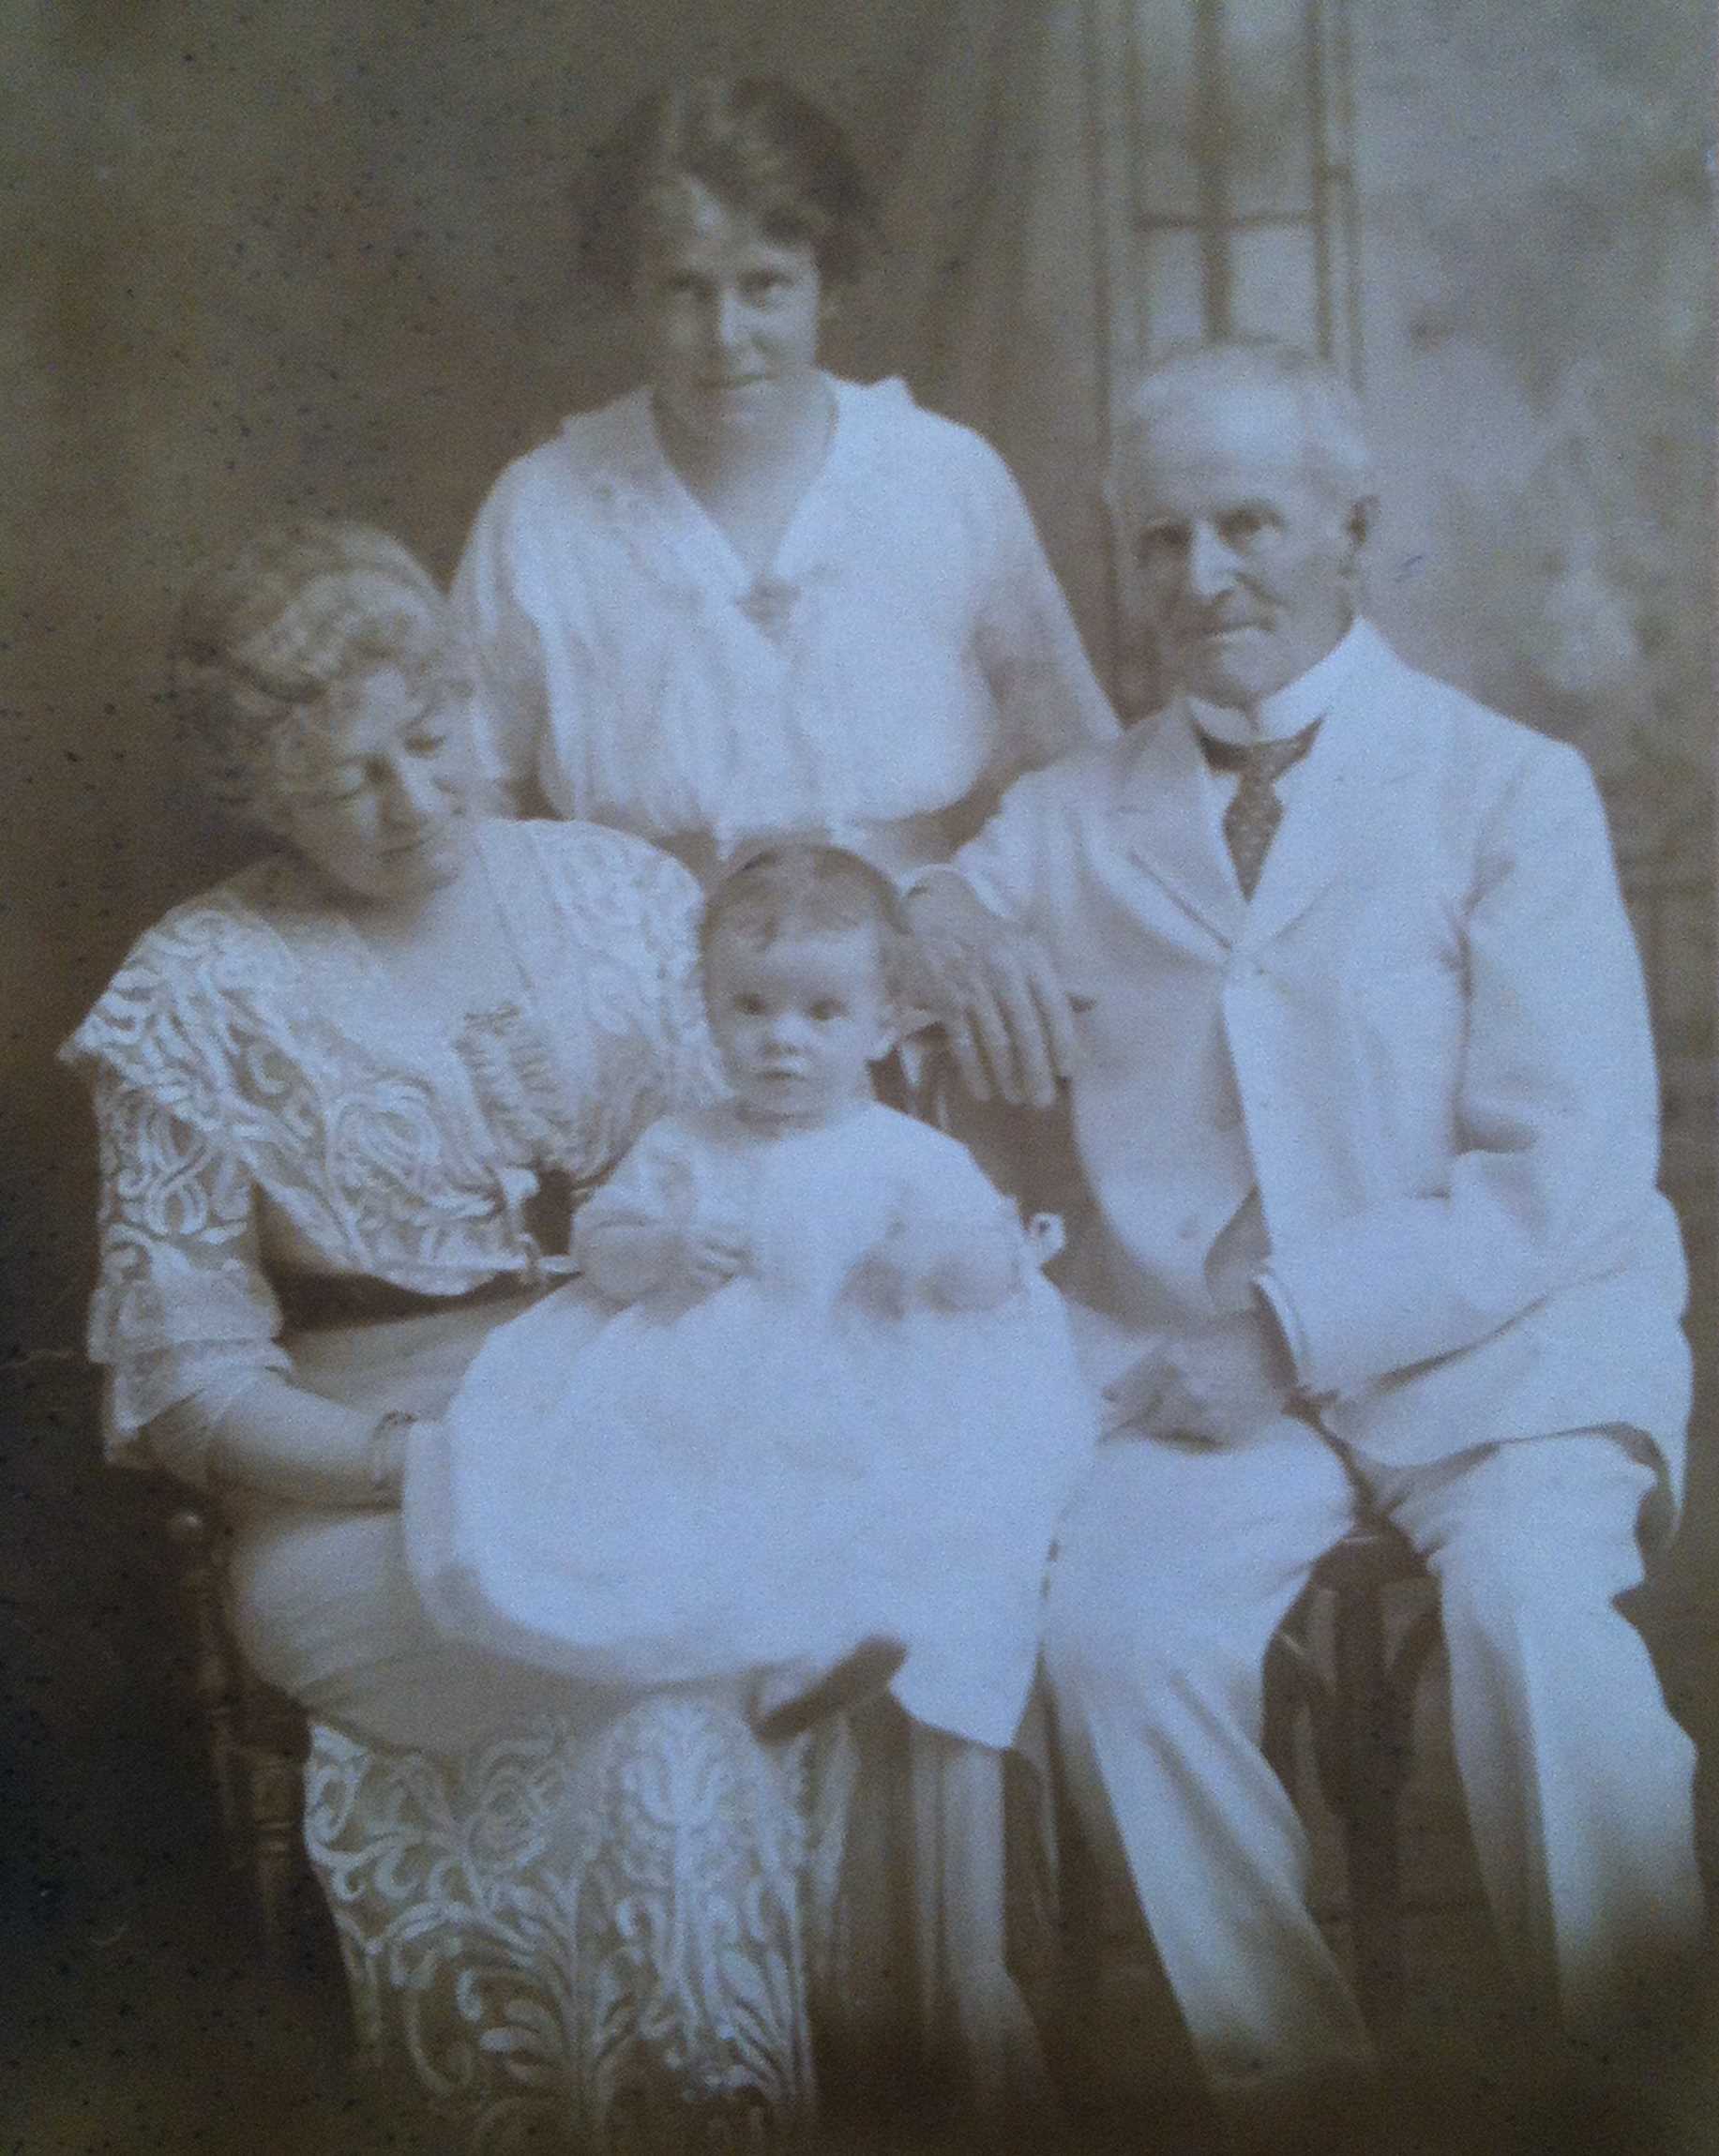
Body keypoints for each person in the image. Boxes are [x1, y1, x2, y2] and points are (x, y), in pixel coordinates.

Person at [906, 339, 1704, 2125]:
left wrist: (1281, 1327)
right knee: (1111, 1640)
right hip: (1206, 1391)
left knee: (1524, 1616)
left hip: (1498, 1348)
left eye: (1246, 524)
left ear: (1353, 525)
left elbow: (1555, 1170)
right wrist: (934, 910)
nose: (1200, 582)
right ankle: (1302, 2093)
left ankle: (1649, 2081)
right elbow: (901, 902)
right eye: (1161, 539)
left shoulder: (1503, 788)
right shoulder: (1073, 812)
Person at [57, 523, 855, 2150]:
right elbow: (187, 1376)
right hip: (369, 1497)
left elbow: (789, 1166)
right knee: (673, 1685)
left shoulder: (629, 895)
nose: (414, 798)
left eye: (430, 741)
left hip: (653, 1438)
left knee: (711, 1648)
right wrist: (416, 1461)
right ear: (259, 791)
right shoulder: (198, 991)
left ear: (468, 706)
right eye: (349, 776)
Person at [410, 843, 1095, 2116]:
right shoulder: (685, 1139)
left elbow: (993, 1262)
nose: (782, 1042)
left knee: (912, 1491)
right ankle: (769, 1636)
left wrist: (933, 1262)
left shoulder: (906, 1150)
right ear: (708, 1005)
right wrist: (663, 1246)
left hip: (860, 1391)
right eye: (751, 1007)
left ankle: (835, 1634)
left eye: (822, 1013)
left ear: (888, 1020)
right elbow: (598, 1251)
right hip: (718, 1393)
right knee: (680, 1486)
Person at [451, 72, 1117, 883]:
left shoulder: (942, 475)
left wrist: (970, 905)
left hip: (919, 950)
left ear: (827, 286)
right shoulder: (544, 508)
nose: (726, 336)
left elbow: (1073, 770)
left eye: (763, 286)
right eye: (684, 291)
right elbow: (463, 793)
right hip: (642, 967)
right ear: (631, 293)